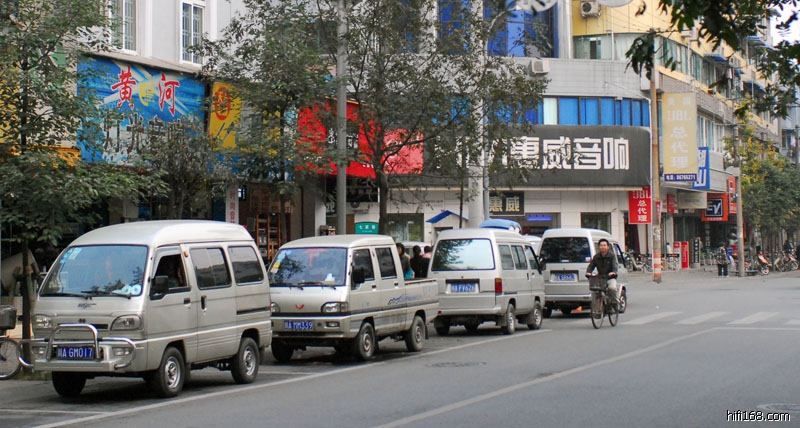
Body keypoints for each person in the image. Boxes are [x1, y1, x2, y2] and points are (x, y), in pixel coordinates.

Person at [585, 238, 618, 310]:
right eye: (601, 245)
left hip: (610, 277)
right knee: (595, 291)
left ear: (607, 247)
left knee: (612, 288)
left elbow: (614, 266)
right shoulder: (596, 257)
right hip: (600, 278)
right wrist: (588, 272)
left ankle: (614, 304)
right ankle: (597, 309)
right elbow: (591, 266)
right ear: (599, 247)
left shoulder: (612, 256)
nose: (602, 247)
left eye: (604, 245)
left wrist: (613, 272)